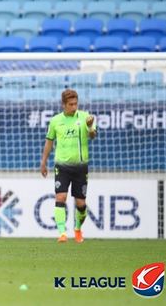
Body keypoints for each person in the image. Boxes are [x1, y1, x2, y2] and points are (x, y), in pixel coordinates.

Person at [40, 89, 96, 243]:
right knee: (60, 197)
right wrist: (43, 162)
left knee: (81, 203)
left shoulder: (85, 117)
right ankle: (62, 233)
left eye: (76, 104)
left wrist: (90, 127)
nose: (74, 107)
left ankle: (77, 228)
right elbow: (49, 142)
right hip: (62, 166)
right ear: (63, 104)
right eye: (71, 104)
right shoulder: (56, 121)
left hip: (80, 167)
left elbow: (93, 136)